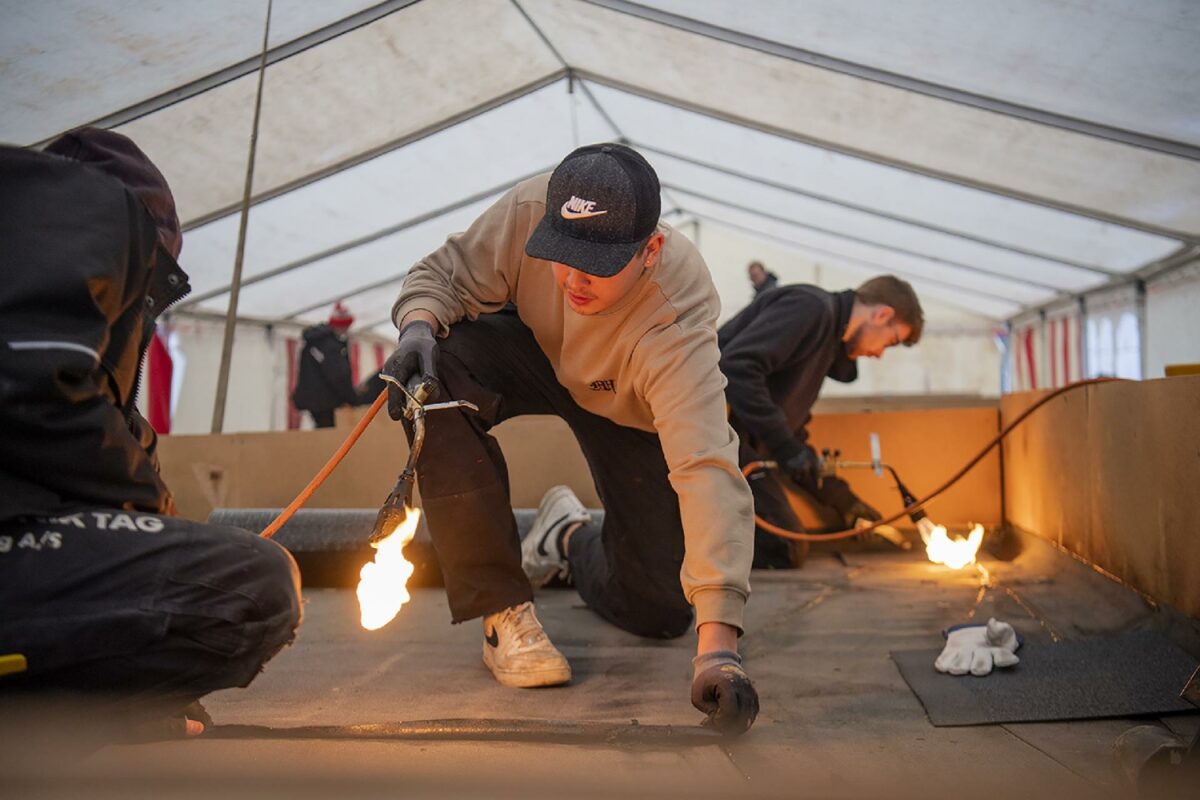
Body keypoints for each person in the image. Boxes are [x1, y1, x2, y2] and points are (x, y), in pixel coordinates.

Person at [382, 143, 759, 734]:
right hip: (529, 348)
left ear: (651, 250)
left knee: (658, 609)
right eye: (560, 254)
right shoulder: (533, 206)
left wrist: (719, 649)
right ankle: (500, 610)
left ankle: (568, 535)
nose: (571, 280)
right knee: (437, 374)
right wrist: (417, 327)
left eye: (597, 263)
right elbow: (442, 275)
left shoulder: (677, 317)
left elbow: (706, 467)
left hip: (624, 407)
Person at [0, 129, 302, 738]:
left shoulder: (35, 273)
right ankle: (60, 720)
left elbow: (80, 415)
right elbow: (41, 391)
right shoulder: (83, 209)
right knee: (250, 585)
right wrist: (152, 507)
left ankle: (72, 707)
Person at [719, 277, 924, 568]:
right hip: (706, 438)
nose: (878, 355)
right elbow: (737, 366)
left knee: (786, 546)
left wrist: (844, 501)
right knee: (785, 546)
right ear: (882, 314)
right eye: (889, 342)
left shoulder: (826, 340)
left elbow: (791, 438)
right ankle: (681, 552)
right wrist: (786, 446)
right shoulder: (810, 308)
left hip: (738, 443)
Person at [292, 302, 359, 428]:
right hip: (324, 402)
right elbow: (337, 375)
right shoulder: (330, 345)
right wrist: (352, 399)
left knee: (321, 429)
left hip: (314, 400)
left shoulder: (315, 341)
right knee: (328, 431)